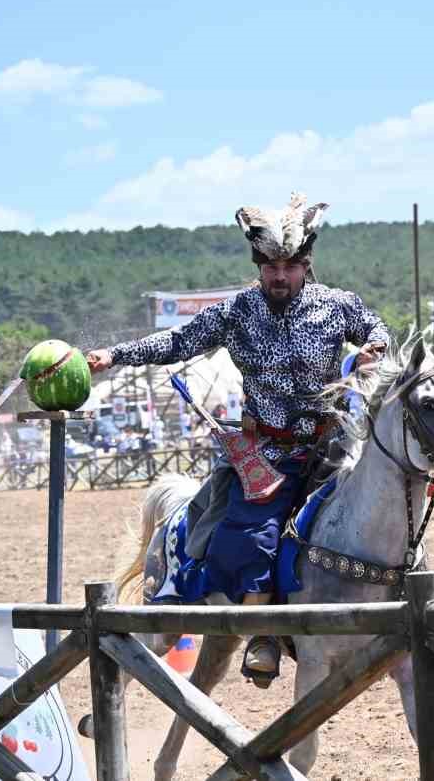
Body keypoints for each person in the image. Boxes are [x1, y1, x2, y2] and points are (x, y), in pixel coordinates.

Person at [84, 193, 390, 686]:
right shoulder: (237, 312)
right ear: (258, 265)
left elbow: (377, 329)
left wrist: (375, 347)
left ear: (306, 264)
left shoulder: (339, 306)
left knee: (380, 512)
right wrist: (114, 355)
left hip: (333, 449)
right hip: (266, 458)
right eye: (270, 266)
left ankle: (391, 609)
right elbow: (176, 342)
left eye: (289, 266)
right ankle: (264, 633)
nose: (279, 276)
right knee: (250, 540)